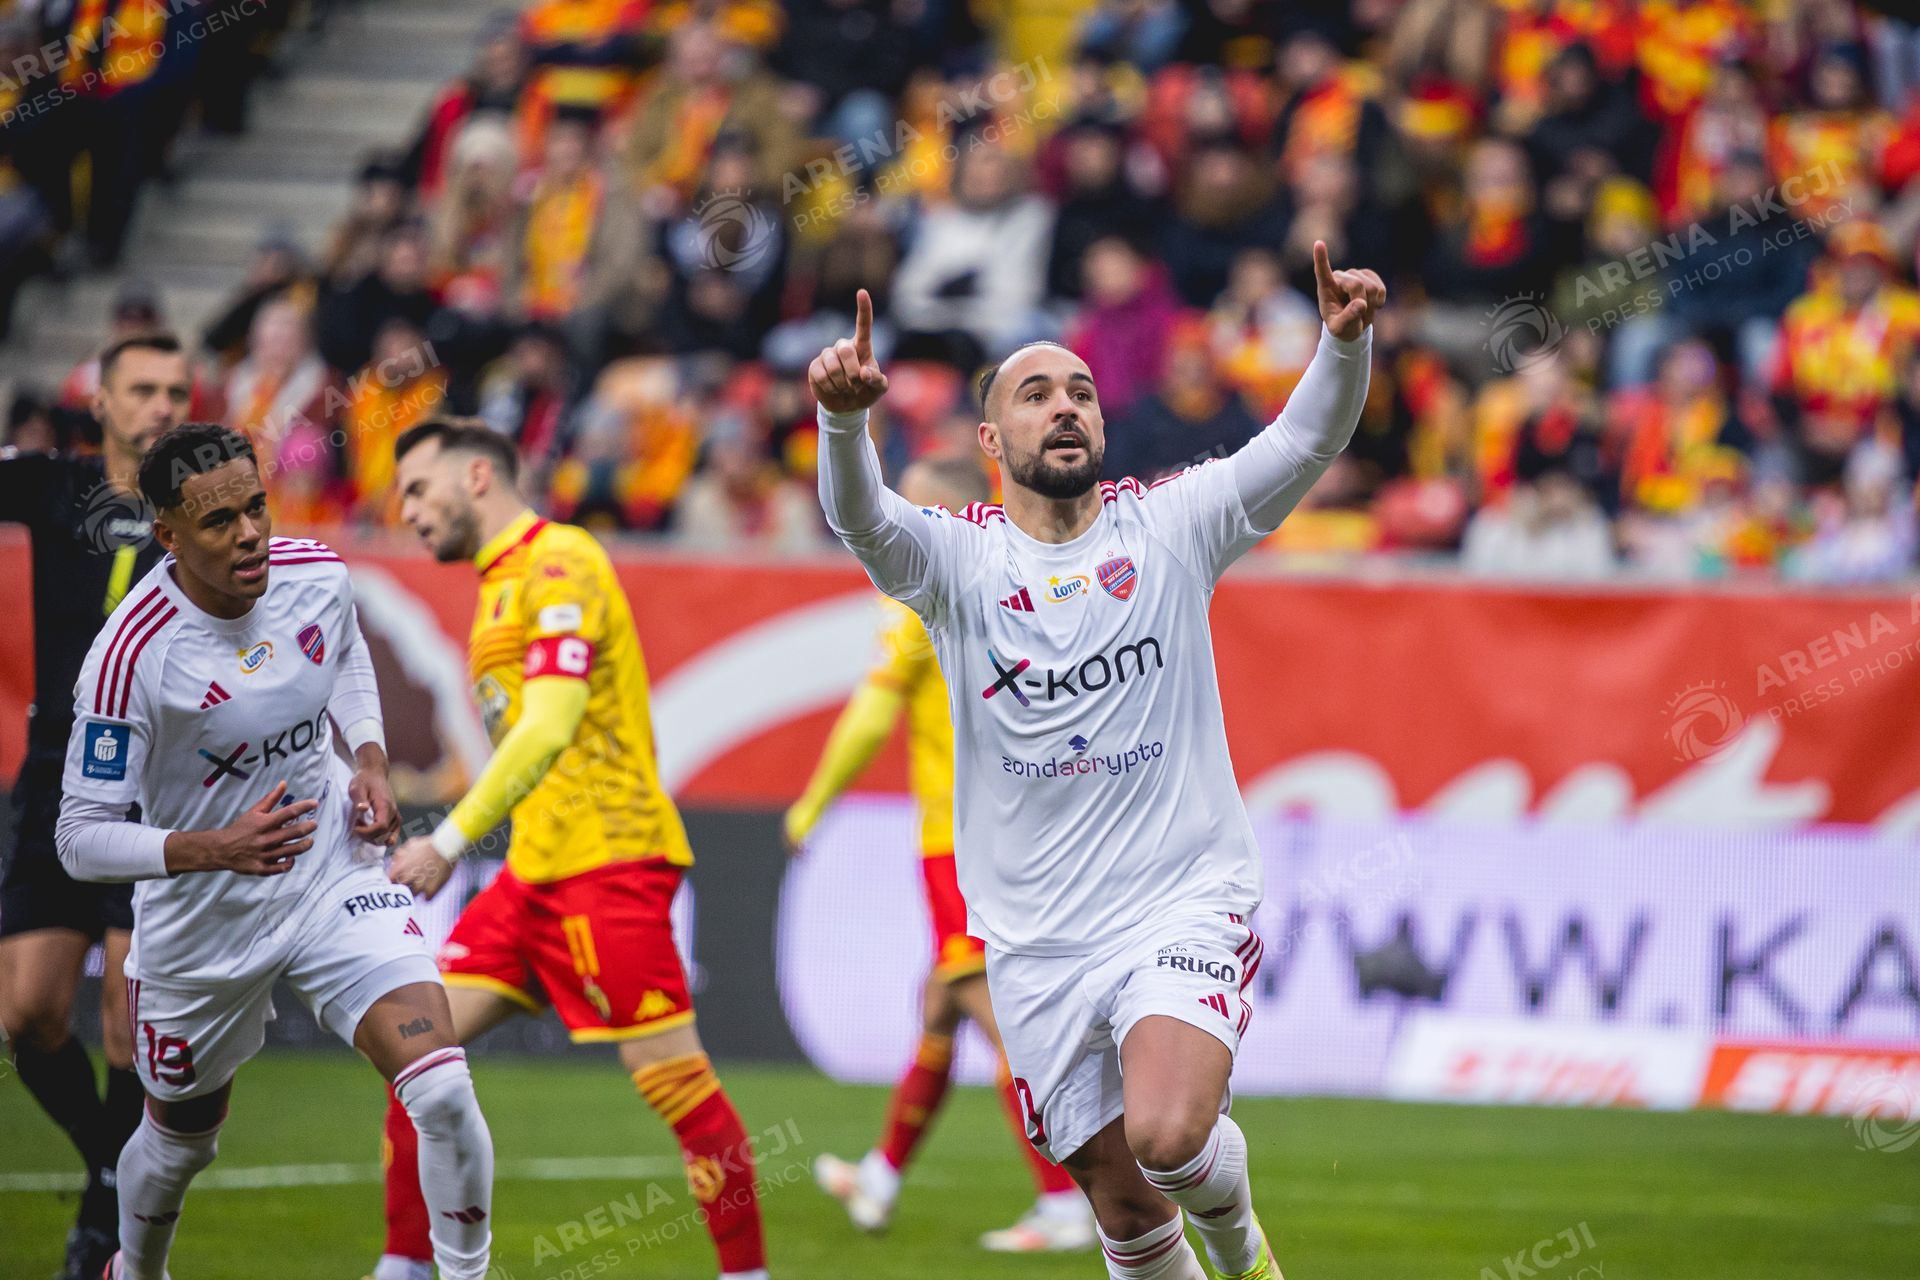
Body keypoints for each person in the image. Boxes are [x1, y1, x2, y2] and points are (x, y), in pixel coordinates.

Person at [807, 243, 1382, 1280]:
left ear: (1102, 425)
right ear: (992, 438)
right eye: (1035, 395)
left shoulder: (1171, 527)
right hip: (1034, 941)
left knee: (1168, 1136)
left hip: (1178, 900)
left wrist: (1344, 346)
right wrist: (844, 423)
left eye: (1079, 392)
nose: (1064, 406)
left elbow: (1303, 440)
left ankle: (1242, 1254)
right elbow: (861, 517)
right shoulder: (958, 562)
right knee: (1125, 1210)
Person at [55, 423, 494, 1280]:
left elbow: (346, 652)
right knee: (180, 1144)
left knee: (441, 1086)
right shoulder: (129, 654)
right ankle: (134, 1270)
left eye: (257, 507)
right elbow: (79, 838)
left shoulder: (315, 575)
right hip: (202, 923)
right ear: (168, 535)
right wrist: (211, 846)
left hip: (329, 873)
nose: (251, 533)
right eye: (220, 522)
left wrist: (369, 758)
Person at [381, 419, 768, 1280]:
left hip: (609, 858)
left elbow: (551, 723)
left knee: (676, 1084)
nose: (406, 510)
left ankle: (749, 1276)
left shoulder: (561, 560)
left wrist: (448, 839)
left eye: (417, 488)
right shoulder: (497, 584)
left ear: (476, 476)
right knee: (417, 1056)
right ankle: (402, 1266)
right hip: (534, 873)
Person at [788, 456, 1097, 1256]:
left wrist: (814, 804)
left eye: (911, 504)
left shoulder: (924, 591)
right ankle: (882, 1174)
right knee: (943, 1003)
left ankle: (1066, 1200)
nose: (893, 519)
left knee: (1001, 1017)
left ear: (946, 510)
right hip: (1021, 832)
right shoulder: (1024, 584)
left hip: (962, 843)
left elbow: (870, 713)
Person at [0, 333, 187, 1280]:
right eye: (143, 389)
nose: (162, 405)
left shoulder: (198, 508)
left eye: (176, 391)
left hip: (148, 789)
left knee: (124, 1015)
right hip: (52, 779)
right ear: (102, 402)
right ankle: (113, 1169)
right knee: (28, 1011)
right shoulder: (52, 486)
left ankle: (106, 1220)